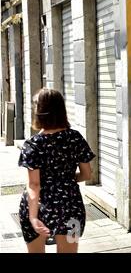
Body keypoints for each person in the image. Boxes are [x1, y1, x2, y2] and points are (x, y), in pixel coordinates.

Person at [18, 88, 95, 253]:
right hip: (71, 205)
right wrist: (65, 180)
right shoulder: (75, 138)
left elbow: (34, 184)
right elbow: (87, 174)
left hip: (38, 206)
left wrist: (32, 217)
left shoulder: (33, 145)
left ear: (39, 113)